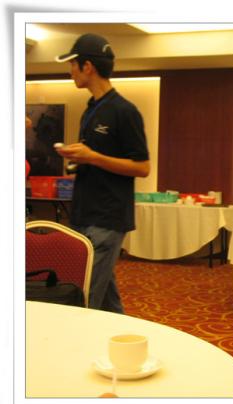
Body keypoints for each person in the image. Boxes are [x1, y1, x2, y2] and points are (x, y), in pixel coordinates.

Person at [54, 33, 150, 313]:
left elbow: (143, 167)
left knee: (83, 298)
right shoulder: (91, 109)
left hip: (107, 218)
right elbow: (95, 157)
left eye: (73, 64)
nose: (70, 71)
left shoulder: (124, 111)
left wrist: (93, 157)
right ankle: (122, 332)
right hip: (84, 212)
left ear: (88, 67)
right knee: (105, 297)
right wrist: (77, 158)